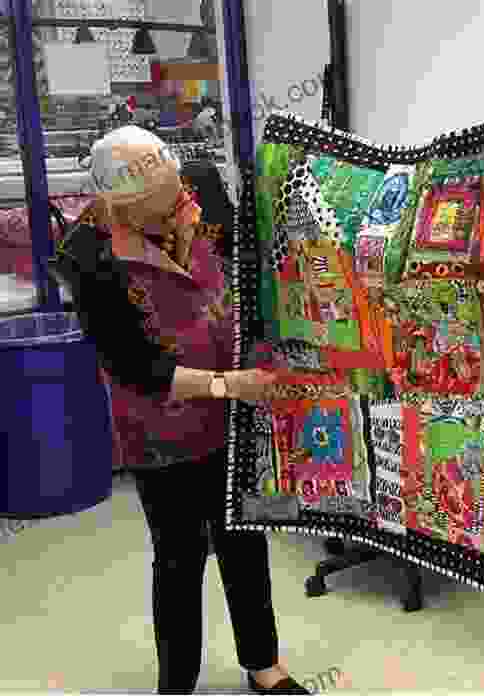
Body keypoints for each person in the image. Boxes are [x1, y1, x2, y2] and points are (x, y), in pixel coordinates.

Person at [50, 125, 309, 695]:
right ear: (114, 204)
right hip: (160, 429)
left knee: (245, 538)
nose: (172, 212)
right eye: (152, 207)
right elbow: (136, 367)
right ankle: (177, 682)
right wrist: (227, 384)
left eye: (174, 196)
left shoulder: (204, 194)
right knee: (179, 555)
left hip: (236, 415)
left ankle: (264, 665)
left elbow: (252, 267)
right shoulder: (87, 256)